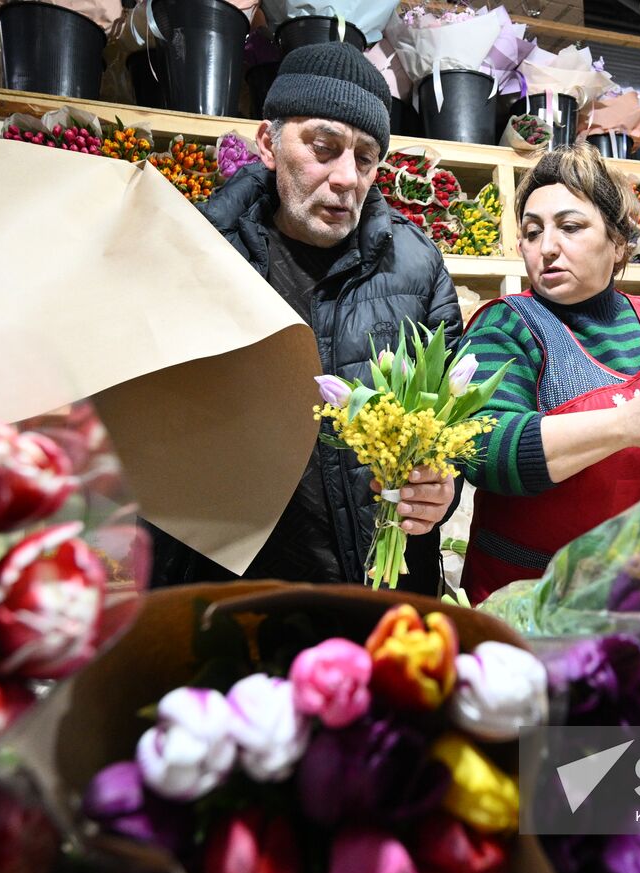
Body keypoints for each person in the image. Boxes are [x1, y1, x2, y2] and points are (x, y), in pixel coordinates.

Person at [144, 42, 462, 595]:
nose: (346, 177)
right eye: (324, 147)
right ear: (268, 142)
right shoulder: (200, 255)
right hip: (227, 594)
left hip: (378, 596)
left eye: (365, 158)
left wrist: (441, 488)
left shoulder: (416, 264)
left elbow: (451, 422)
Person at [460, 144, 640, 604]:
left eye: (570, 227)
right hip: (528, 596)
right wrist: (624, 424)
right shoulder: (508, 323)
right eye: (532, 233)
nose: (547, 248)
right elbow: (482, 446)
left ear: (618, 243)